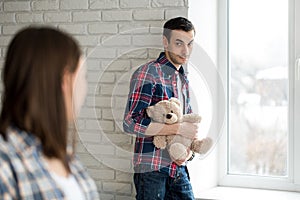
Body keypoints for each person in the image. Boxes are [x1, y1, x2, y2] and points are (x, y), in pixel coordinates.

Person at [0, 27, 99, 199]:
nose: (86, 88)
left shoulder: (66, 157)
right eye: (84, 77)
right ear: (65, 81)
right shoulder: (5, 162)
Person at [123, 17, 198, 200]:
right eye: (179, 43)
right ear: (165, 42)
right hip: (152, 170)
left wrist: (188, 153)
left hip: (178, 168)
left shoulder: (183, 79)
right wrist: (178, 128)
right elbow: (131, 122)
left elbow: (185, 123)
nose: (185, 50)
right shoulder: (148, 73)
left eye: (190, 43)